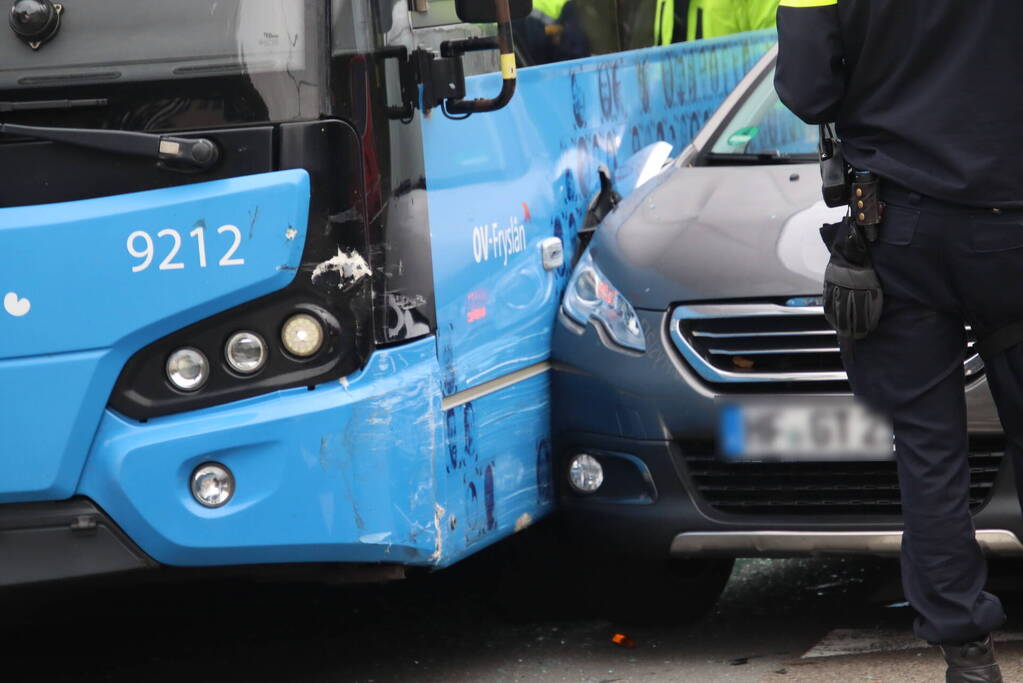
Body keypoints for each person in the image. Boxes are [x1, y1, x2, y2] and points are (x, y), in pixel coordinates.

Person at [774, 2, 1023, 681]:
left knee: (927, 446)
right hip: (1011, 222)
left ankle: (965, 654)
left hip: (895, 223)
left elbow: (806, 92)